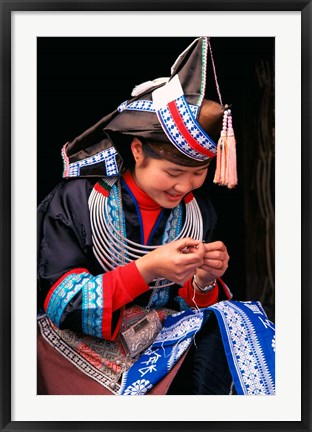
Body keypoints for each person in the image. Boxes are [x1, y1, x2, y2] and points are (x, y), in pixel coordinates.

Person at [37, 37, 275, 396]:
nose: (185, 186)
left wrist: (204, 281)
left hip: (161, 346)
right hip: (77, 350)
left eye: (199, 173)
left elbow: (188, 307)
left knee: (238, 322)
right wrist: (146, 269)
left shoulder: (197, 212)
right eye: (173, 172)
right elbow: (60, 304)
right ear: (138, 151)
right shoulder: (77, 200)